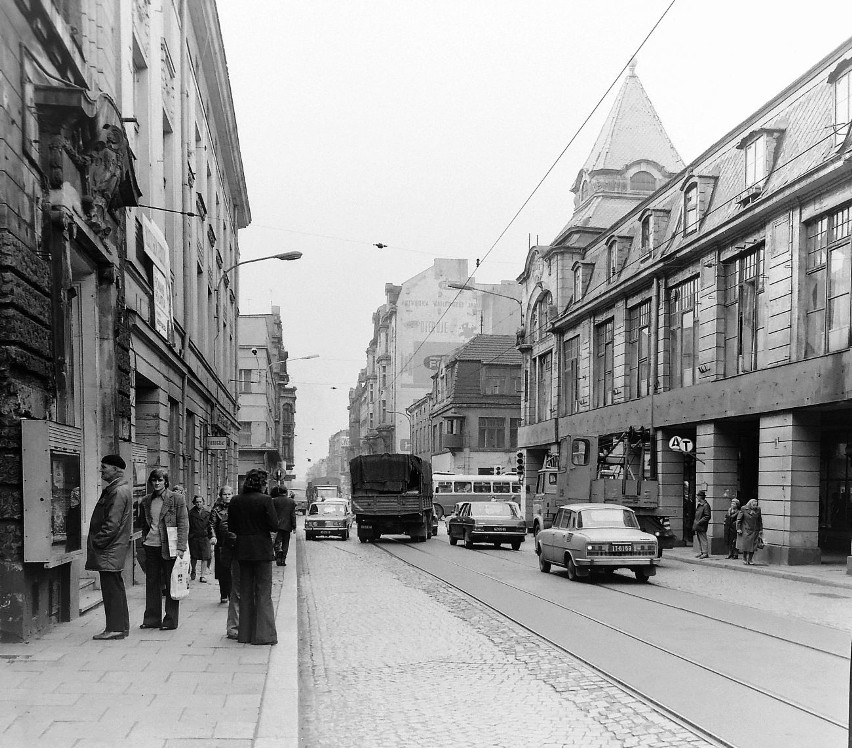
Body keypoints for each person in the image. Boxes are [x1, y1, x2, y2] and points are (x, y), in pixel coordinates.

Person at [85, 454, 133, 641]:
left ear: (116, 469)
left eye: (104, 467)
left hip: (109, 549)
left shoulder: (117, 492)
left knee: (111, 589)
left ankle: (115, 628)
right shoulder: (118, 489)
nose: (101, 470)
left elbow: (112, 524)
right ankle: (120, 627)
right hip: (113, 548)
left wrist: (98, 542)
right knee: (115, 587)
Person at [228, 469, 278, 645]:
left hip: (242, 551)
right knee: (264, 592)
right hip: (262, 551)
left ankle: (245, 634)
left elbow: (232, 526)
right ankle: (264, 635)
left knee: (245, 593)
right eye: (265, 484)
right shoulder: (266, 500)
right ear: (262, 484)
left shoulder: (235, 500)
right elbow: (274, 525)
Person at [138, 468, 189, 630]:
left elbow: (183, 523)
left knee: (171, 583)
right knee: (152, 583)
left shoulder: (176, 499)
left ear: (166, 482)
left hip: (170, 548)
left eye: (160, 480)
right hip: (151, 546)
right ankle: (152, 619)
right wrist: (144, 539)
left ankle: (170, 620)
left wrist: (181, 547)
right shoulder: (146, 500)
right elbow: (143, 523)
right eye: (154, 480)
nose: (157, 483)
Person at [210, 485, 234, 604]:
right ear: (221, 496)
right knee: (222, 570)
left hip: (234, 542)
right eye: (225, 494)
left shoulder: (236, 507)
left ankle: (232, 594)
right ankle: (223, 593)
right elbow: (211, 524)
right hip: (221, 543)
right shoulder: (216, 509)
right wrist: (213, 536)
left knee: (232, 569)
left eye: (229, 494)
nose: (227, 496)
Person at [188, 496, 213, 582]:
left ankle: (203, 575)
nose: (199, 503)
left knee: (205, 557)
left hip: (204, 537)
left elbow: (210, 525)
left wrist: (212, 536)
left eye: (200, 502)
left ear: (203, 502)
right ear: (194, 503)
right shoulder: (191, 513)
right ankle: (193, 570)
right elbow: (189, 526)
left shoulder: (207, 513)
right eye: (197, 502)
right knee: (194, 556)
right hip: (194, 537)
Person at [271, 486, 297, 566]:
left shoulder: (274, 501)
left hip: (277, 526)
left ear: (279, 492)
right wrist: (294, 526)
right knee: (286, 543)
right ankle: (283, 559)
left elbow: (271, 513)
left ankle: (278, 555)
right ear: (286, 492)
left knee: (277, 542)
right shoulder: (291, 501)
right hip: (287, 526)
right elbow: (293, 515)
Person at [737, 498, 764, 565]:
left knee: (753, 546)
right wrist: (738, 528)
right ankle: (744, 558)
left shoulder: (758, 509)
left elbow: (759, 520)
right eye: (754, 505)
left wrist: (761, 529)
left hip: (755, 529)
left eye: (756, 505)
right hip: (746, 529)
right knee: (746, 545)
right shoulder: (744, 508)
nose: (755, 506)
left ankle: (750, 559)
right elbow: (739, 519)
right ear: (750, 504)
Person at [693, 490, 711, 559]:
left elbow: (707, 516)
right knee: (699, 538)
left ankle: (705, 552)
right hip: (698, 524)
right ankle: (702, 551)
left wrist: (699, 522)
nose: (697, 497)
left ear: (700, 497)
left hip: (701, 525)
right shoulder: (700, 505)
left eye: (697, 496)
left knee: (703, 538)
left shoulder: (705, 505)